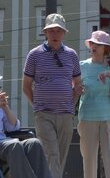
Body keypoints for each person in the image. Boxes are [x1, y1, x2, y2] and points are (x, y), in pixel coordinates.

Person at [23, 14, 84, 178]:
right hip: (44, 114)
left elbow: (78, 83)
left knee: (60, 158)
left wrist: (74, 98)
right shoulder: (34, 55)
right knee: (52, 155)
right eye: (51, 30)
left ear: (64, 33)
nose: (55, 34)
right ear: (45, 32)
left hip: (66, 114)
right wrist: (35, 106)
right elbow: (26, 85)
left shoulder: (72, 55)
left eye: (59, 30)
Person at [78, 30, 110, 178]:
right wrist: (78, 89)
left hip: (108, 117)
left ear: (105, 48)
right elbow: (73, 88)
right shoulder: (82, 65)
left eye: (98, 44)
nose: (94, 46)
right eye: (92, 43)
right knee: (89, 160)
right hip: (87, 117)